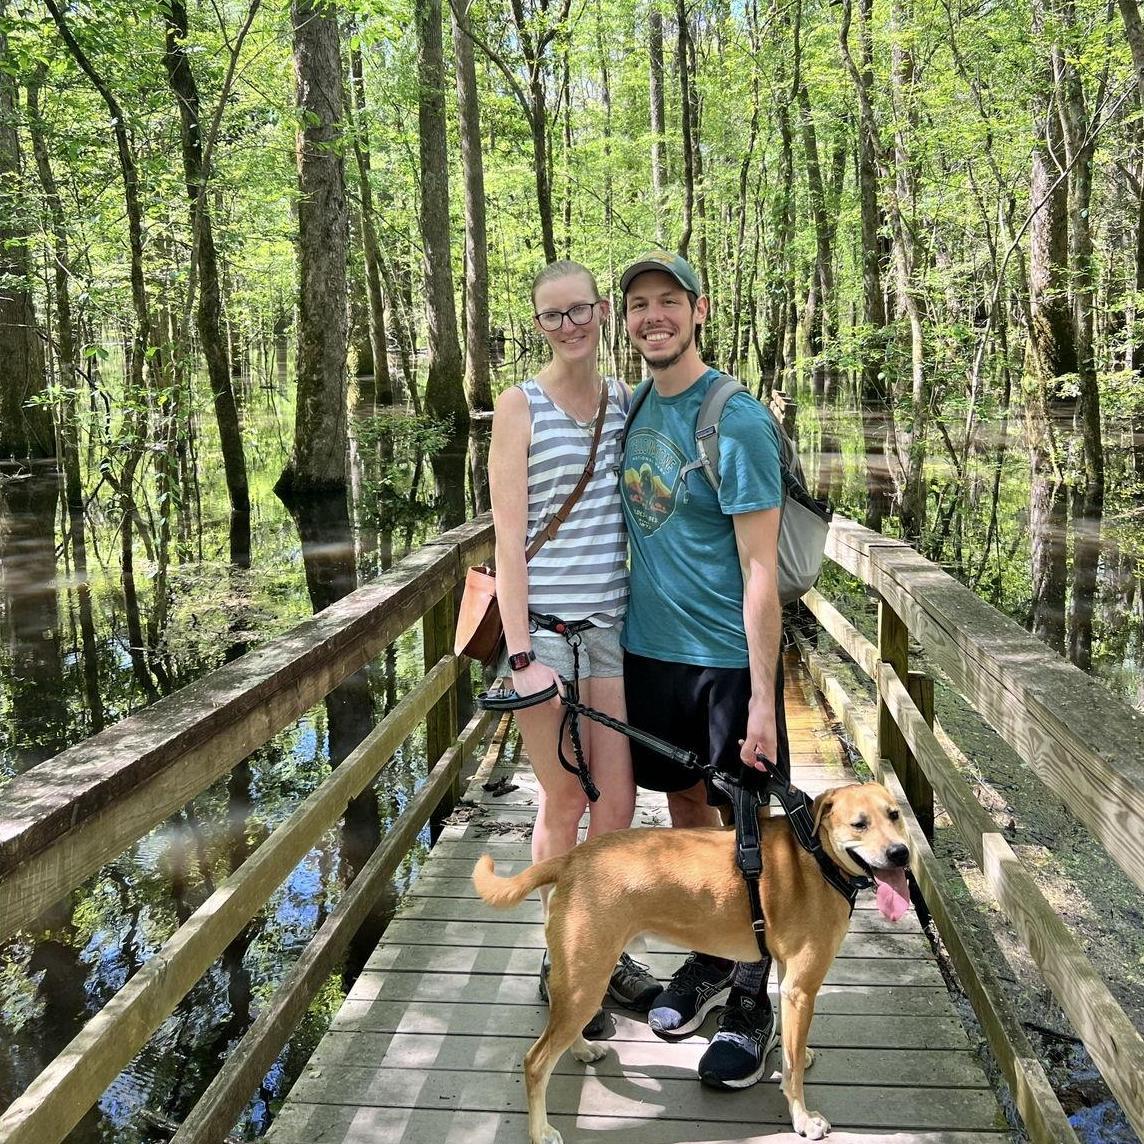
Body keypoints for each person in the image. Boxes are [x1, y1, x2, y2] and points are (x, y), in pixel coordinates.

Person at [618, 250, 791, 1088]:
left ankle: (755, 994)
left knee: (751, 831)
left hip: (725, 662)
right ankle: (711, 954)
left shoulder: (738, 420)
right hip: (649, 656)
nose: (653, 316)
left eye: (668, 302)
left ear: (700, 310)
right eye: (639, 305)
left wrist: (763, 698)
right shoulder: (640, 404)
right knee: (686, 807)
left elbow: (762, 570)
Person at [487, 259, 661, 1034]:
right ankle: (560, 962)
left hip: (611, 629)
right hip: (546, 636)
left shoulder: (627, 401)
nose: (571, 325)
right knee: (562, 798)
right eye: (553, 316)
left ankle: (604, 948)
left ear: (601, 310)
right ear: (539, 325)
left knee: (617, 803)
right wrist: (521, 657)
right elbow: (508, 541)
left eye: (581, 310)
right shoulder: (516, 407)